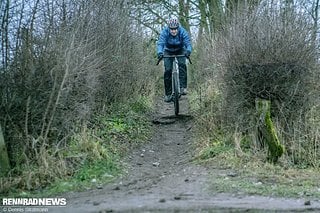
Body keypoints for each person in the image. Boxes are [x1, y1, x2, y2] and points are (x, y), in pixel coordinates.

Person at [157, 17, 192, 102]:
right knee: (168, 70)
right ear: (169, 28)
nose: (173, 31)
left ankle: (182, 87)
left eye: (175, 29)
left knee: (182, 65)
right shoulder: (164, 32)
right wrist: (160, 52)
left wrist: (188, 51)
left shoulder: (183, 31)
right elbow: (160, 43)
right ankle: (168, 94)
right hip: (168, 51)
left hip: (180, 49)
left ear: (178, 28)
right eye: (172, 29)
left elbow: (188, 43)